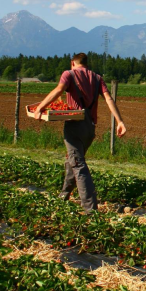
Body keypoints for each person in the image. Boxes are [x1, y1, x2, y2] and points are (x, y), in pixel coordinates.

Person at [33, 53, 127, 213]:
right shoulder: (97, 78)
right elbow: (109, 99)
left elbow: (58, 90)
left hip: (74, 126)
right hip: (90, 128)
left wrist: (40, 107)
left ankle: (90, 210)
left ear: (72, 63)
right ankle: (64, 194)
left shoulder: (68, 74)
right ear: (86, 64)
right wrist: (120, 121)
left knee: (78, 164)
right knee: (73, 159)